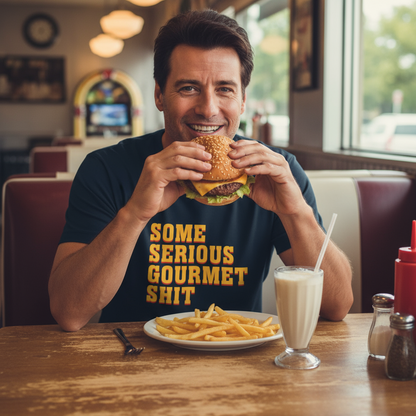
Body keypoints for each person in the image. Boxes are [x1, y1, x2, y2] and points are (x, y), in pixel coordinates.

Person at [49, 10, 353, 332]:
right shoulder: (107, 169)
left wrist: (295, 212)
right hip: (133, 354)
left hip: (240, 355)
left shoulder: (275, 172)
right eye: (189, 88)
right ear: (158, 96)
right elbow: (69, 312)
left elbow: (337, 305)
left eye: (225, 89)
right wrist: (135, 214)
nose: (209, 109)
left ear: (243, 100)